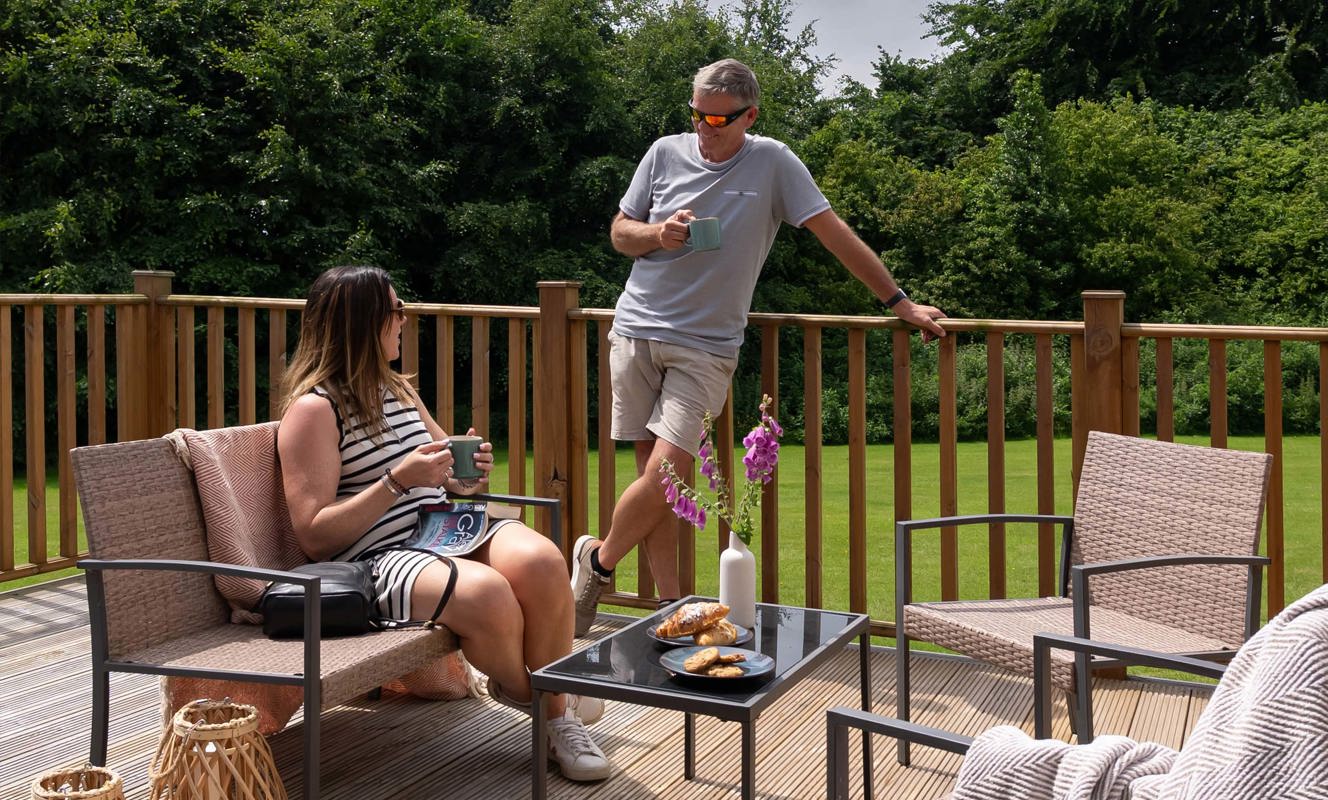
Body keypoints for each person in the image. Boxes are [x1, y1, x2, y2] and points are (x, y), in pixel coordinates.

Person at [571, 58, 948, 636]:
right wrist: (658, 233)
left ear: (750, 115)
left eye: (719, 117)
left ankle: (595, 564)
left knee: (667, 474)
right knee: (658, 485)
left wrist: (900, 303)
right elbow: (622, 232)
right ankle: (672, 610)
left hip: (705, 346)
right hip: (636, 330)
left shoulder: (772, 162)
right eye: (696, 113)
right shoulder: (663, 152)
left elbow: (835, 235)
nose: (705, 126)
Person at [277, 265, 611, 782]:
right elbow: (315, 534)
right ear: (362, 322)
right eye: (396, 310)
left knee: (544, 561)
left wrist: (464, 475)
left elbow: (444, 473)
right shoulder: (314, 412)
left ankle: (547, 701)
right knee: (487, 595)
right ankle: (554, 713)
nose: (404, 319)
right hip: (379, 558)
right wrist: (396, 481)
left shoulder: (398, 391)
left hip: (445, 528)